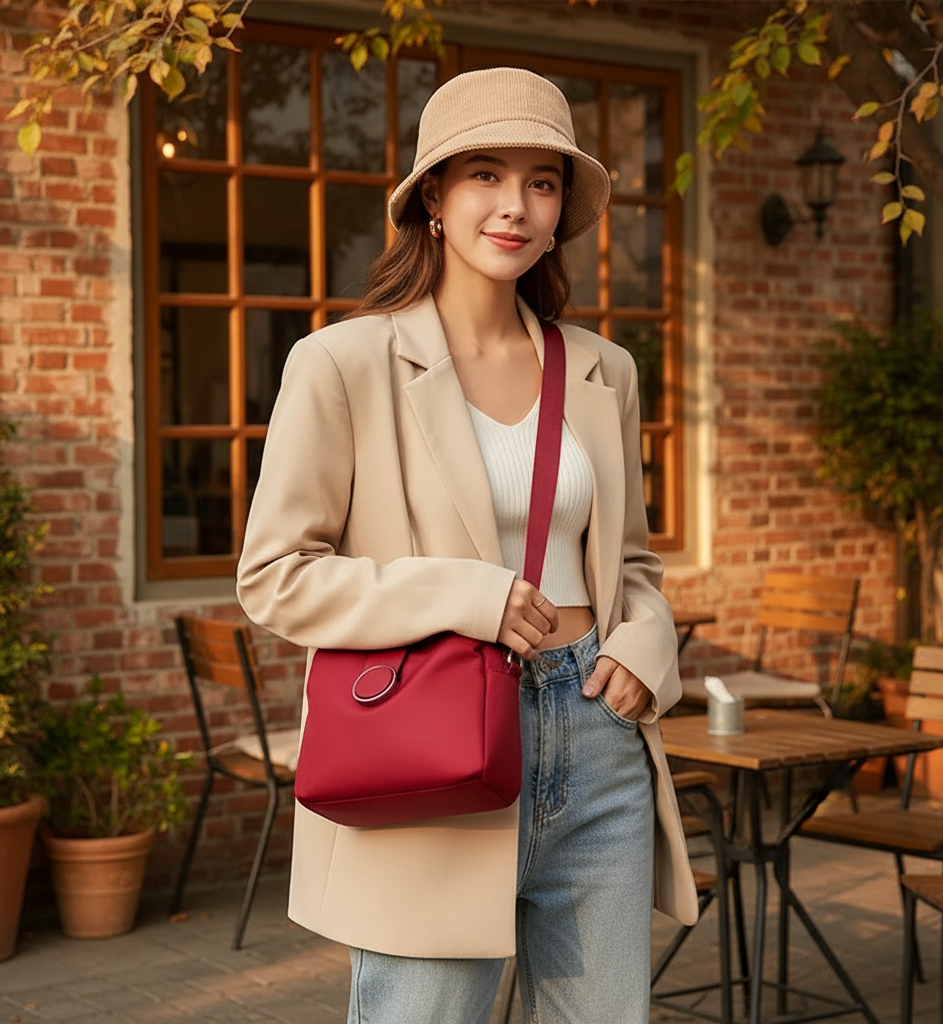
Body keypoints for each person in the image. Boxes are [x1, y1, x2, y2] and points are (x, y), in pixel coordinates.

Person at [237, 67, 697, 1024]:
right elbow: (275, 577)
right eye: (484, 174)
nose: (515, 205)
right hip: (435, 743)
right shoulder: (342, 364)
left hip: (600, 733)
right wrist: (465, 595)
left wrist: (648, 648)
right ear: (435, 200)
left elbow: (633, 565)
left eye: (541, 180)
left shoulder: (605, 370)